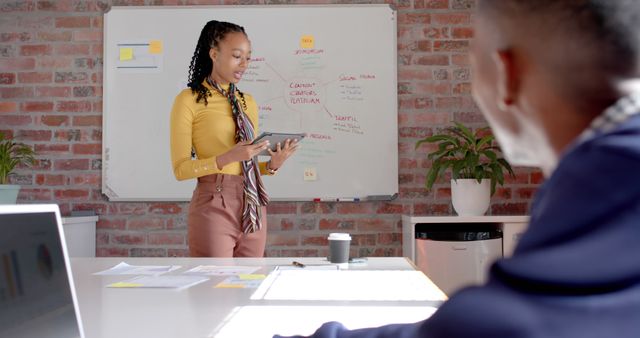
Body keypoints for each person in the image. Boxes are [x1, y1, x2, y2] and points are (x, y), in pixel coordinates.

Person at [276, 0, 640, 337]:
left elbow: (498, 325)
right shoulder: (613, 166)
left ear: (505, 73)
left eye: (471, 59)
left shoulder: (611, 177)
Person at [170, 20, 298, 257]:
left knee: (249, 287)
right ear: (214, 54)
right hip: (214, 202)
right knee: (215, 289)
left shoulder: (247, 102)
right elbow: (181, 169)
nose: (244, 64)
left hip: (252, 204)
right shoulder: (189, 100)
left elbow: (245, 163)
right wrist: (227, 156)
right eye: (237, 56)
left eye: (248, 57)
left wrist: (272, 165)